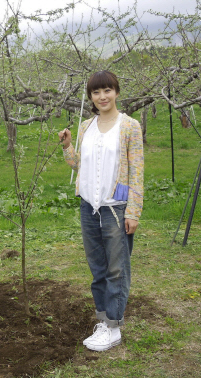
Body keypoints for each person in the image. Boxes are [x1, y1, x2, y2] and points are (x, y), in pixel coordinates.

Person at [58, 70, 144, 352]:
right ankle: (103, 320)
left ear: (116, 91)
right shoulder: (86, 126)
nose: (102, 96)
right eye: (96, 92)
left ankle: (114, 326)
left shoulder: (129, 125)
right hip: (89, 206)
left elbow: (137, 170)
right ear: (90, 97)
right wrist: (68, 145)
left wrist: (133, 210)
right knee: (97, 268)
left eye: (107, 90)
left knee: (117, 269)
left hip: (116, 208)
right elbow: (79, 165)